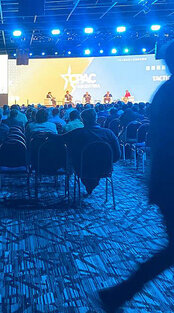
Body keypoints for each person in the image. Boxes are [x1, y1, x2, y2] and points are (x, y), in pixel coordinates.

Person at [98, 41, 174, 313]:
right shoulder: (169, 93)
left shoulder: (165, 92)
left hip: (166, 184)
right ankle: (119, 293)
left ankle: (119, 294)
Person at [62, 109, 120, 194]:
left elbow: (62, 141)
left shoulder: (77, 133)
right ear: (96, 118)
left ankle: (88, 187)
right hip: (104, 168)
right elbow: (117, 155)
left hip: (83, 168)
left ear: (83, 120)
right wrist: (108, 162)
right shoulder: (109, 133)